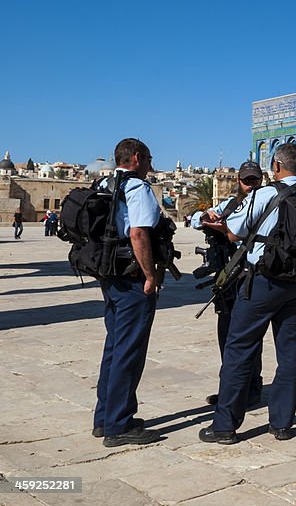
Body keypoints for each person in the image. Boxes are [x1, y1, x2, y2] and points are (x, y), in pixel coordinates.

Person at [200, 144, 296, 444]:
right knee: (289, 354)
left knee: (239, 349)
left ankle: (224, 426)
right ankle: (283, 423)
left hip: (261, 282)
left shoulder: (265, 194)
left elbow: (234, 233)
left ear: (276, 166)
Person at [92, 138, 162, 447]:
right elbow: (138, 232)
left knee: (114, 346)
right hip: (131, 278)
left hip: (109, 275)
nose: (150, 164)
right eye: (148, 158)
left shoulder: (105, 183)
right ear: (136, 158)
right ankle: (118, 426)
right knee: (129, 351)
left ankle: (104, 417)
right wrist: (149, 274)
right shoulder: (137, 188)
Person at [191, 160, 265, 408]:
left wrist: (228, 230)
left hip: (250, 276)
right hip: (227, 278)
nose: (251, 185)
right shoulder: (232, 204)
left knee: (246, 337)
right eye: (247, 181)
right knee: (227, 336)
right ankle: (232, 388)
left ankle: (251, 388)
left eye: (255, 180)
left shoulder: (267, 203)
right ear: (239, 181)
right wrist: (204, 216)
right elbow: (196, 220)